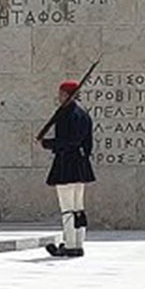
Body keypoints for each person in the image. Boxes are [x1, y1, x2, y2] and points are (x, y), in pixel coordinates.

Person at [41, 80, 95, 258]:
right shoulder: (84, 113)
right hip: (80, 164)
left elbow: (68, 141)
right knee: (78, 207)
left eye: (62, 94)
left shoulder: (68, 114)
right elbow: (87, 144)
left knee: (67, 208)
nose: (59, 97)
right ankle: (78, 243)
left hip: (67, 164)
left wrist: (47, 143)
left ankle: (70, 245)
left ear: (68, 94)